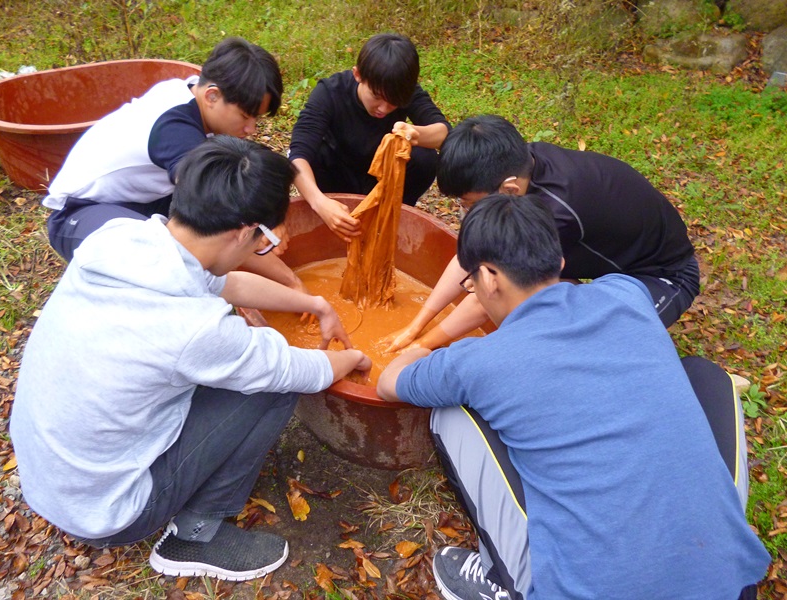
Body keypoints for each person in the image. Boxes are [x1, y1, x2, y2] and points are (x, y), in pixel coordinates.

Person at [10, 137, 372, 581]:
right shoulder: (195, 329)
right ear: (244, 232)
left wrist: (318, 304)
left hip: (56, 475)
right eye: (264, 242)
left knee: (247, 371)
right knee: (274, 389)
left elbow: (224, 283)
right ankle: (195, 534)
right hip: (107, 510)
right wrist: (355, 357)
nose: (261, 252)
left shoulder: (126, 238)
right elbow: (302, 369)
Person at [377, 194, 770, 600]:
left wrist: (417, 346)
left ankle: (504, 582)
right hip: (729, 585)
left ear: (489, 279)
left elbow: (389, 381)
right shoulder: (627, 294)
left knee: (449, 415)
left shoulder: (478, 363)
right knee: (704, 376)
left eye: (470, 282)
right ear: (559, 261)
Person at [384, 114, 699, 352]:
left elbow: (490, 296)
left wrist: (423, 346)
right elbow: (471, 257)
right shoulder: (519, 164)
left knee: (568, 343)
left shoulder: (555, 213)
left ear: (508, 189)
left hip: (663, 277)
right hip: (604, 262)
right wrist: (416, 325)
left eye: (469, 204)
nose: (468, 214)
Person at [43, 38, 303, 293]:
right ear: (212, 95)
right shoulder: (174, 128)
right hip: (79, 213)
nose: (251, 129)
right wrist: (272, 233)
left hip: (139, 201)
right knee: (170, 266)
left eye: (256, 118)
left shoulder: (191, 92)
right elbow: (222, 204)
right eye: (245, 116)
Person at [289, 32, 450, 242]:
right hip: (336, 178)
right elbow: (297, 155)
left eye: (393, 102)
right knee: (315, 153)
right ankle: (330, 216)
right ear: (358, 75)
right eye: (376, 97)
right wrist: (319, 202)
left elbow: (444, 131)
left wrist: (414, 133)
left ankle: (392, 218)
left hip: (380, 180)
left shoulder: (403, 90)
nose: (383, 108)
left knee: (424, 158)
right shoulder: (330, 92)